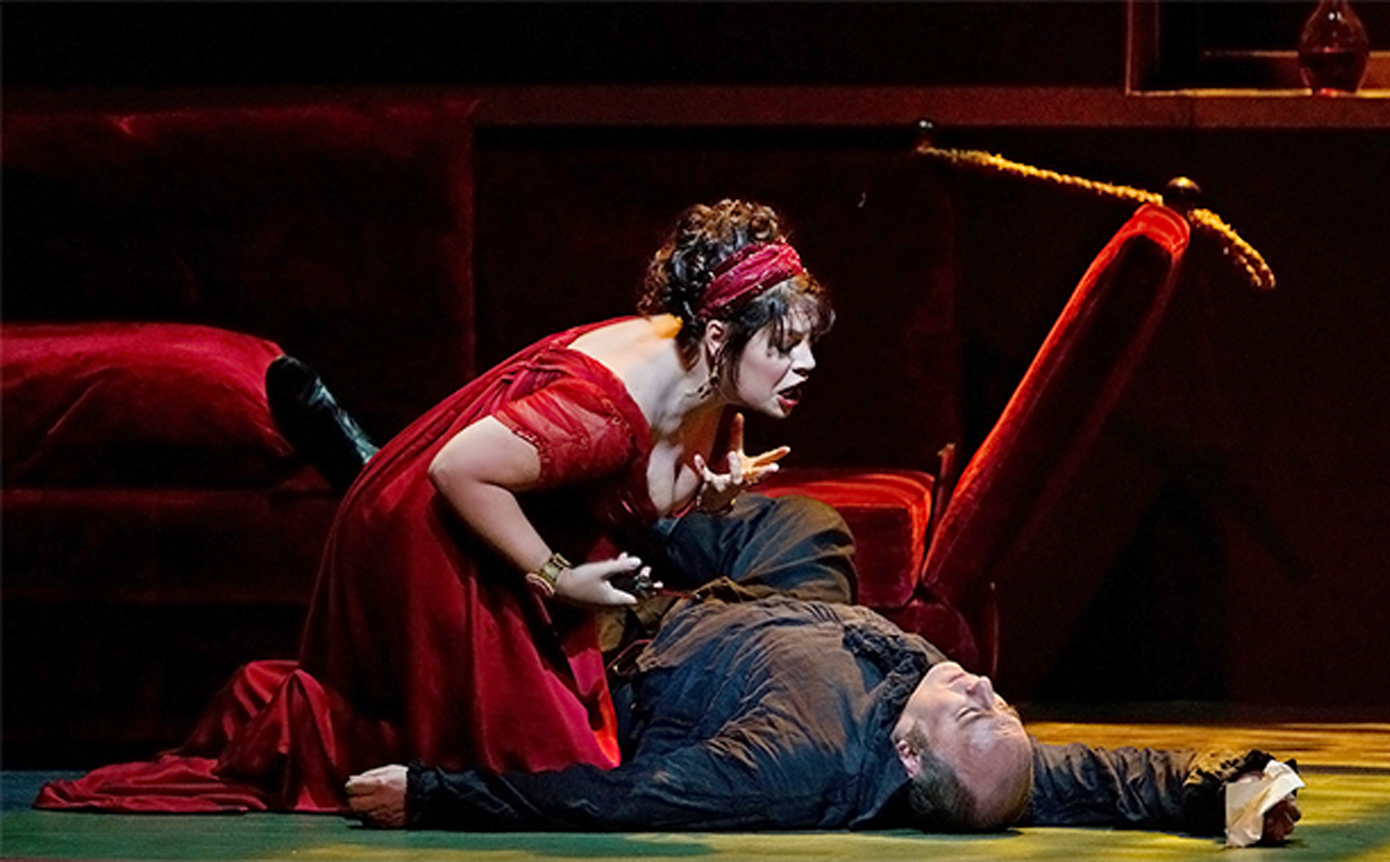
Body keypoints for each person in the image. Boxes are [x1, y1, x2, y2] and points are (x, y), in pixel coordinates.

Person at [35, 199, 847, 814]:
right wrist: (556, 577)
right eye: (784, 346)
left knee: (562, 749)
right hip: (438, 525)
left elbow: (641, 493)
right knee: (542, 765)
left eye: (808, 342)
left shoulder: (703, 367)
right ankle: (309, 731)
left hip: (512, 503)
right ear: (719, 339)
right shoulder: (604, 412)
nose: (805, 363)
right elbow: (459, 470)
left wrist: (710, 490)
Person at [343, 586, 1302, 841]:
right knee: (811, 525)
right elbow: (1116, 777)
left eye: (977, 716)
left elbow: (616, 800)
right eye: (1000, 707)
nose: (983, 689)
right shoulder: (968, 742)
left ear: (909, 756)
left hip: (637, 632)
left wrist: (434, 794)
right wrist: (1246, 790)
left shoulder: (791, 764)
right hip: (760, 589)